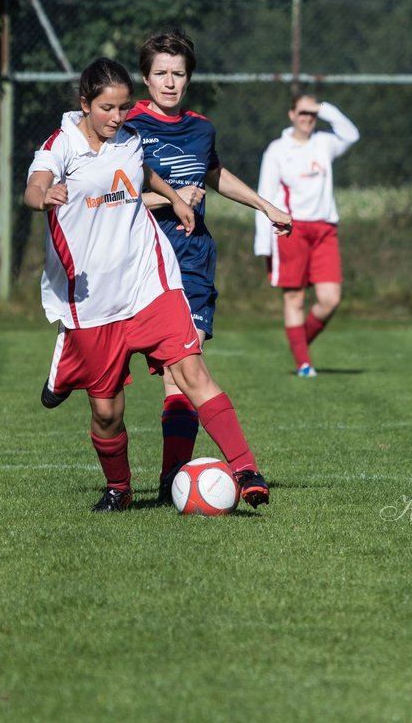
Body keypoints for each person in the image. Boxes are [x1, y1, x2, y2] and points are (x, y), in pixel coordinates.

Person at [28, 57, 271, 512]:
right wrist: (45, 195)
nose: (117, 118)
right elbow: (34, 187)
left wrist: (177, 199)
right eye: (107, 109)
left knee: (192, 371)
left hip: (149, 280)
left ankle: (245, 469)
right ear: (85, 104)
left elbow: (144, 172)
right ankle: (119, 488)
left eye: (122, 108)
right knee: (106, 412)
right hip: (92, 299)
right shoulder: (58, 147)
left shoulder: (129, 139)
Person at [121, 30, 292, 501]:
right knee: (153, 378)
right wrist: (171, 198)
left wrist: (265, 205)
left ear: (189, 78)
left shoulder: (201, 128)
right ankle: (171, 477)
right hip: (141, 263)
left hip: (193, 259)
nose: (169, 83)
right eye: (160, 74)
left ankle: (232, 472)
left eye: (178, 74)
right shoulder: (127, 127)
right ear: (145, 77)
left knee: (184, 367)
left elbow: (215, 175)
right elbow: (112, 197)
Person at [254, 93, 359, 376]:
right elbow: (264, 196)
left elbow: (351, 134)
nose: (307, 118)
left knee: (330, 299)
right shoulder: (278, 149)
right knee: (295, 299)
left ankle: (299, 344)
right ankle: (303, 363)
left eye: (312, 114)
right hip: (291, 230)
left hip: (325, 229)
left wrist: (324, 108)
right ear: (291, 115)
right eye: (302, 112)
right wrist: (262, 243)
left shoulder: (324, 143)